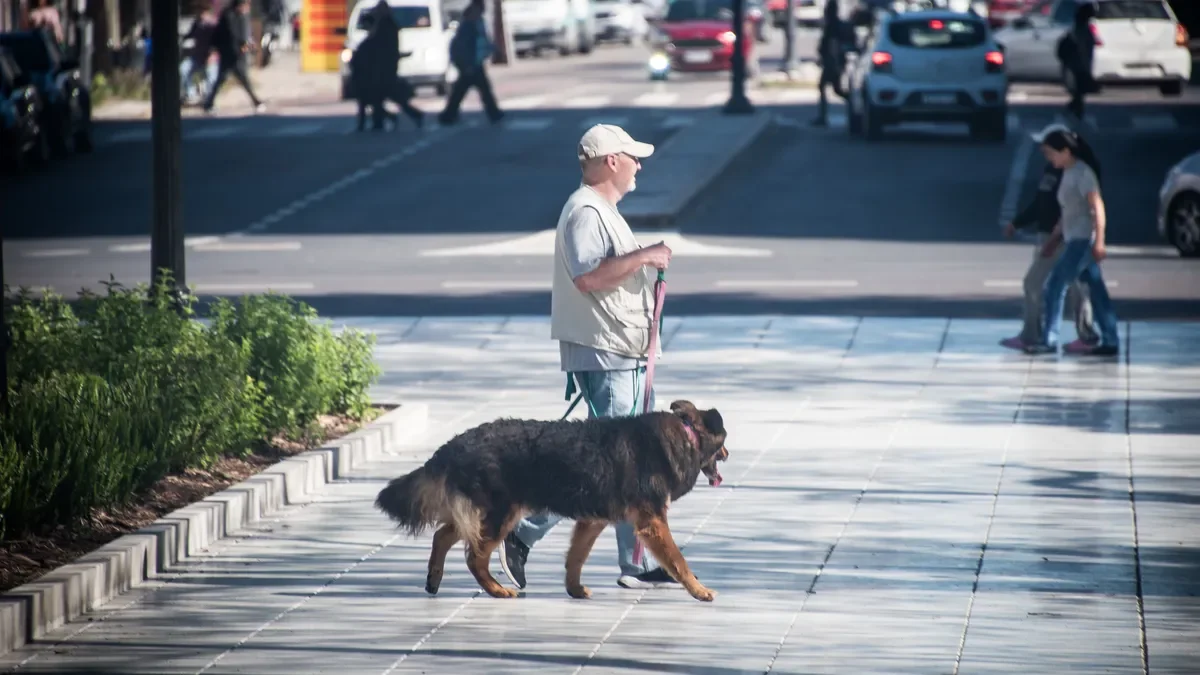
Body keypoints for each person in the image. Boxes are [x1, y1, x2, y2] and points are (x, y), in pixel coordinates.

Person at [497, 124, 679, 592]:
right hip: (609, 352)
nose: (640, 165)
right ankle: (523, 531)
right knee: (610, 468)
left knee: (628, 466)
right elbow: (588, 278)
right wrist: (645, 256)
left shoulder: (602, 210)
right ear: (610, 162)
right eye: (633, 157)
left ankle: (634, 563)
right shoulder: (585, 212)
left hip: (623, 350)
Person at [1000, 123, 1097, 352]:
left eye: (1048, 150)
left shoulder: (1075, 172)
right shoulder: (1052, 169)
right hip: (1048, 235)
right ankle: (1033, 334)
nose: (1045, 154)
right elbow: (1041, 202)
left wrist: (1057, 236)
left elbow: (1082, 208)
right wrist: (1018, 222)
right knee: (1038, 284)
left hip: (1065, 237)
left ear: (1063, 149)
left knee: (1074, 288)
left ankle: (1085, 335)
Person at [1023, 127, 1119, 357]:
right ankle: (1110, 340)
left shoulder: (1083, 174)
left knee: (1054, 286)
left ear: (1065, 151)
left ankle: (1048, 339)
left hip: (1082, 241)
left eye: (1050, 153)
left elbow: (1097, 207)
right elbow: (1068, 213)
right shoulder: (1068, 172)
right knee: (1096, 291)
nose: (1049, 159)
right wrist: (1054, 239)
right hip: (1073, 238)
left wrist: (1100, 243)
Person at [439, 0, 503, 126]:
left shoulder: (477, 23)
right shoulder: (468, 25)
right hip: (470, 63)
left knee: (465, 90)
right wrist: (465, 63)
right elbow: (463, 46)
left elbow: (484, 41)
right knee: (473, 90)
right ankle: (493, 113)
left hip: (476, 62)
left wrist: (493, 49)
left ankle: (449, 115)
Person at [203, 0, 265, 114]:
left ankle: (209, 103)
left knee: (232, 79)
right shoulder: (230, 17)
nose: (247, 7)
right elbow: (235, 36)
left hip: (233, 54)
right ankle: (256, 101)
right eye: (245, 5)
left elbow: (243, 36)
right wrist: (244, 48)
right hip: (230, 54)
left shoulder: (237, 16)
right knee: (234, 79)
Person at [1057, 1, 1097, 121]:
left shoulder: (1079, 27)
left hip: (1075, 64)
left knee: (1078, 93)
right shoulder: (1081, 29)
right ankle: (1073, 111)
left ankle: (1074, 110)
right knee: (1078, 92)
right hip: (1077, 65)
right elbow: (1083, 48)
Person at [811, 0, 847, 127]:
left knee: (824, 86)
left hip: (832, 62)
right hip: (833, 61)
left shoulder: (832, 26)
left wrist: (833, 63)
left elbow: (833, 45)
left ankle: (823, 117)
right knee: (836, 89)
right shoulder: (835, 24)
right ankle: (853, 103)